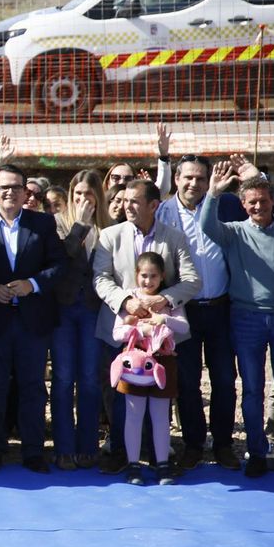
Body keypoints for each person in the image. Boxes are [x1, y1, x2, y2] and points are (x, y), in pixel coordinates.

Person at [200, 159, 274, 479]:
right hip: (246, 319)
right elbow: (207, 227)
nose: (258, 206)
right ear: (243, 205)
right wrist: (214, 194)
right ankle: (257, 453)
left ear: (273, 201)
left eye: (263, 200)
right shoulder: (234, 233)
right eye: (251, 202)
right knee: (251, 390)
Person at [91, 178, 200, 472]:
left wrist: (163, 300)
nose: (126, 206)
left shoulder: (174, 238)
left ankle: (158, 455)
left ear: (154, 205)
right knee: (119, 395)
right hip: (122, 332)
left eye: (134, 201)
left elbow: (191, 280)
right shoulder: (109, 236)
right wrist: (126, 301)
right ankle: (121, 454)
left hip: (161, 337)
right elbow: (100, 278)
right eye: (125, 200)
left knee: (159, 395)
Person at [0, 164, 66, 472]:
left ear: (26, 192)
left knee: (33, 387)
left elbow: (58, 265)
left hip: (32, 321)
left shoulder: (43, 223)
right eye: (4, 187)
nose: (10, 192)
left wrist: (32, 285)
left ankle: (33, 451)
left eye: (16, 187)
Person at [156, 154, 242, 469]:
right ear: (177, 179)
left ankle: (222, 445)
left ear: (209, 181)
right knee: (188, 381)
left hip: (221, 308)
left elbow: (271, 211)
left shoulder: (226, 205)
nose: (194, 184)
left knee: (223, 379)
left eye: (200, 178)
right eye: (188, 177)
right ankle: (192, 444)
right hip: (184, 310)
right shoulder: (163, 214)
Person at [111, 252, 189, 486]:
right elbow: (117, 333)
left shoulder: (166, 301)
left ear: (162, 276)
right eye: (144, 276)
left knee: (160, 416)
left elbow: (183, 327)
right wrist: (137, 330)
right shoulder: (131, 300)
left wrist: (163, 320)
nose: (148, 281)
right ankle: (134, 464)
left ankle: (162, 464)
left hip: (162, 364)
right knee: (133, 416)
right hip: (133, 367)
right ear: (136, 275)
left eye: (153, 276)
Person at [50, 170, 110, 470]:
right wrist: (81, 225)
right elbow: (63, 258)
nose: (83, 200)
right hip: (62, 310)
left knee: (89, 379)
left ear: (98, 196)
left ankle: (87, 446)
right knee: (62, 379)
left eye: (89, 195)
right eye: (77, 195)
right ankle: (63, 447)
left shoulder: (109, 226)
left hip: (92, 309)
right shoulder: (59, 224)